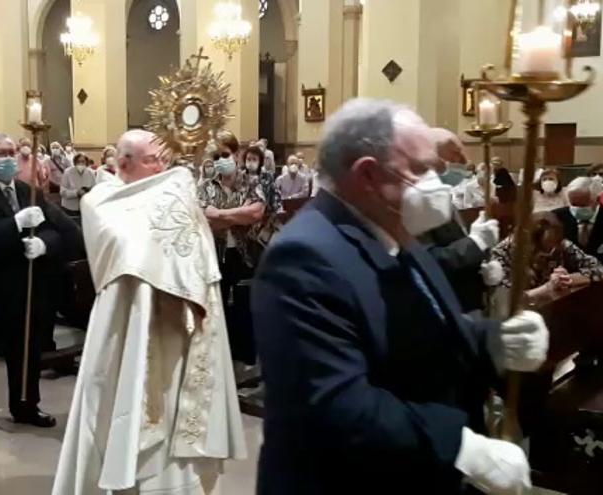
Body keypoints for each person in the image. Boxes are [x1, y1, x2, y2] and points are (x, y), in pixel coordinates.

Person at [252, 99, 549, 494]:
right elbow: (337, 402)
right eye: (422, 169)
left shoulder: (392, 227)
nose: (437, 183)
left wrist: (493, 341)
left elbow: (427, 322)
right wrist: (461, 447)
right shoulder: (304, 256)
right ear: (369, 175)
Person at [53, 129, 246, 495]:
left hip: (181, 322)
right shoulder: (102, 199)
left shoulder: (174, 192)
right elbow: (128, 249)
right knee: (128, 400)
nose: (164, 166)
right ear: (125, 162)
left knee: (178, 409)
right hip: (130, 320)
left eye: (164, 159)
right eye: (154, 160)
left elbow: (195, 245)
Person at [0, 131, 81, 428]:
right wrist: (16, 223)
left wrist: (44, 244)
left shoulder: (28, 191)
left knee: (26, 351)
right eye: (0, 153)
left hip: (29, 285)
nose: (8, 158)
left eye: (10, 152)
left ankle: (25, 405)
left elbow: (64, 231)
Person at [418, 128, 502, 314]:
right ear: (429, 155)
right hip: (440, 308)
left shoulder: (440, 193)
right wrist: (475, 242)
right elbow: (425, 261)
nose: (464, 162)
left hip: (466, 302)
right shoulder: (413, 201)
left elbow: (455, 242)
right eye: (455, 154)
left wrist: (481, 270)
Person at [490, 211, 603, 313]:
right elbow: (506, 301)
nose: (549, 253)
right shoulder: (500, 255)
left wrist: (568, 279)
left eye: (553, 247)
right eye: (544, 248)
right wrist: (547, 288)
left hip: (556, 311)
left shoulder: (561, 245)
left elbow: (598, 268)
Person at [553, 176, 603, 262]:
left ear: (597, 199)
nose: (577, 209)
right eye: (573, 204)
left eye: (582, 205)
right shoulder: (556, 217)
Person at [59, 152, 95, 218]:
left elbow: (95, 189)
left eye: (83, 161)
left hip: (86, 207)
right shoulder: (68, 172)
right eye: (78, 161)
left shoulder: (91, 173)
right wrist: (76, 193)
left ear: (86, 162)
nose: (80, 163)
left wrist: (88, 191)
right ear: (75, 162)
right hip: (70, 207)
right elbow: (62, 192)